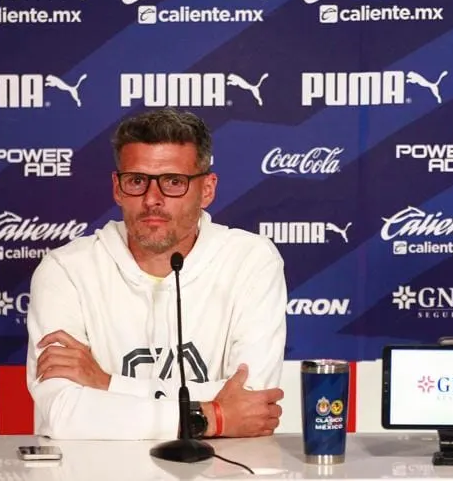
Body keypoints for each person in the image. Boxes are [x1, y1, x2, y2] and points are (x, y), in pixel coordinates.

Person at [26, 109, 287, 440]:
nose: (152, 199)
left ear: (207, 189)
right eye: (137, 181)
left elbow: (253, 402)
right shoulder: (66, 270)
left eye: (173, 182)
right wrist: (213, 417)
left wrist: (107, 384)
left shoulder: (251, 260)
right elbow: (63, 414)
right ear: (117, 188)